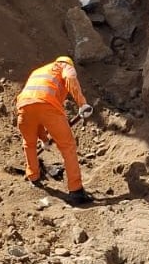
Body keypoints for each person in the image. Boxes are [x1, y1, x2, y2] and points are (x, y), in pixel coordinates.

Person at [15, 56, 94, 205]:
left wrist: (44, 140)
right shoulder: (63, 66)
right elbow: (70, 78)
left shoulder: (38, 71)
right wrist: (82, 103)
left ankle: (33, 177)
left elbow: (35, 107)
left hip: (23, 106)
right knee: (67, 146)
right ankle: (76, 191)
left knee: (29, 143)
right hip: (48, 106)